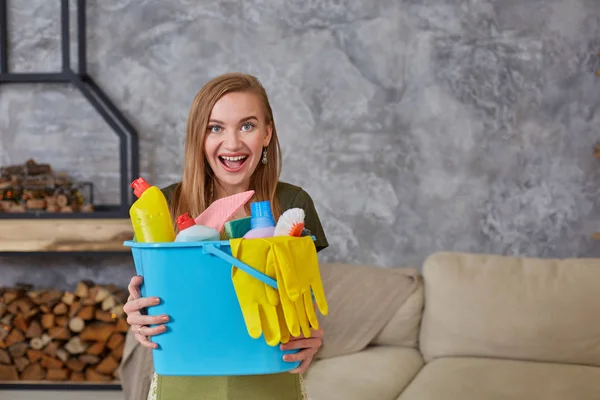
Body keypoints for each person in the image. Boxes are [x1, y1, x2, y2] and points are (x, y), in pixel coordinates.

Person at [122, 72, 329, 400]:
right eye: (215, 127)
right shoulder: (164, 206)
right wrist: (136, 310)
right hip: (184, 382)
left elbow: (302, 297)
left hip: (270, 381)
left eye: (247, 125)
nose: (232, 143)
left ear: (267, 133)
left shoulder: (292, 204)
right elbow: (150, 296)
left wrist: (314, 333)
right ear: (198, 138)